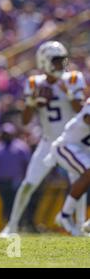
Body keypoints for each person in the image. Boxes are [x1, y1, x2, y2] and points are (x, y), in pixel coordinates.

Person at [0, 41, 87, 237]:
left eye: (62, 60)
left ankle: (79, 225)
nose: (61, 65)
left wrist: (69, 92)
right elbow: (25, 119)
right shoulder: (34, 83)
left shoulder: (73, 78)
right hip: (48, 142)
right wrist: (32, 101)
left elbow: (81, 112)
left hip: (71, 142)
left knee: (79, 181)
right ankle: (11, 226)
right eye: (56, 60)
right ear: (45, 61)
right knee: (28, 184)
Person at [44, 98, 90, 235]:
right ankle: (65, 216)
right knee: (89, 173)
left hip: (81, 150)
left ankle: (68, 217)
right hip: (65, 146)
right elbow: (88, 119)